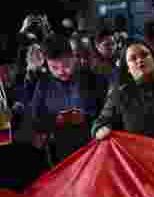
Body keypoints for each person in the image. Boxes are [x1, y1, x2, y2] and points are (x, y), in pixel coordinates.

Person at [29, 34, 108, 166]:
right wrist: (56, 120)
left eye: (66, 65)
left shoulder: (91, 79)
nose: (61, 71)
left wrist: (86, 117)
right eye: (54, 67)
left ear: (73, 57)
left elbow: (108, 112)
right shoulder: (43, 84)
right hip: (60, 154)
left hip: (94, 149)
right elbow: (36, 118)